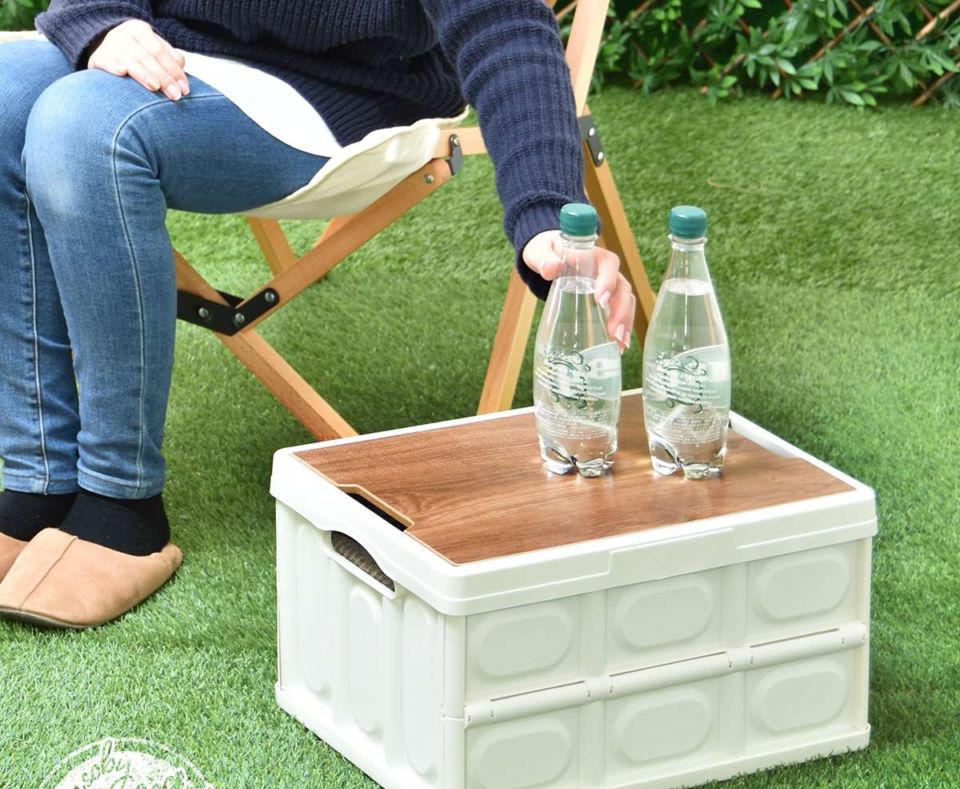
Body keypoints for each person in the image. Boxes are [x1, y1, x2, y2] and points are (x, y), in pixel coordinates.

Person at [0, 0, 637, 629]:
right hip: (177, 43)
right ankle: (39, 481)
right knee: (5, 95)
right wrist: (103, 21)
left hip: (345, 88)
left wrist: (546, 218)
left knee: (84, 126)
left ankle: (119, 503)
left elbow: (502, 23)